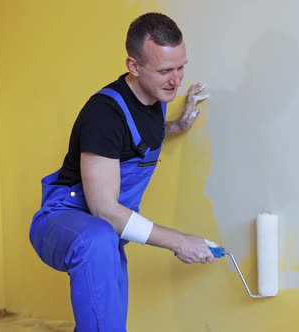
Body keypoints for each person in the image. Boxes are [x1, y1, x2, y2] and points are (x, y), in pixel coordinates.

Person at [29, 12, 215, 331]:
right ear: (134, 66)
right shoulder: (104, 114)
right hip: (64, 221)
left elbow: (137, 138)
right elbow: (104, 211)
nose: (176, 80)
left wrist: (177, 125)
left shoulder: (154, 96)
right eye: (165, 71)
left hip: (106, 235)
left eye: (181, 66)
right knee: (102, 239)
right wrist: (179, 241)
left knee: (108, 323)